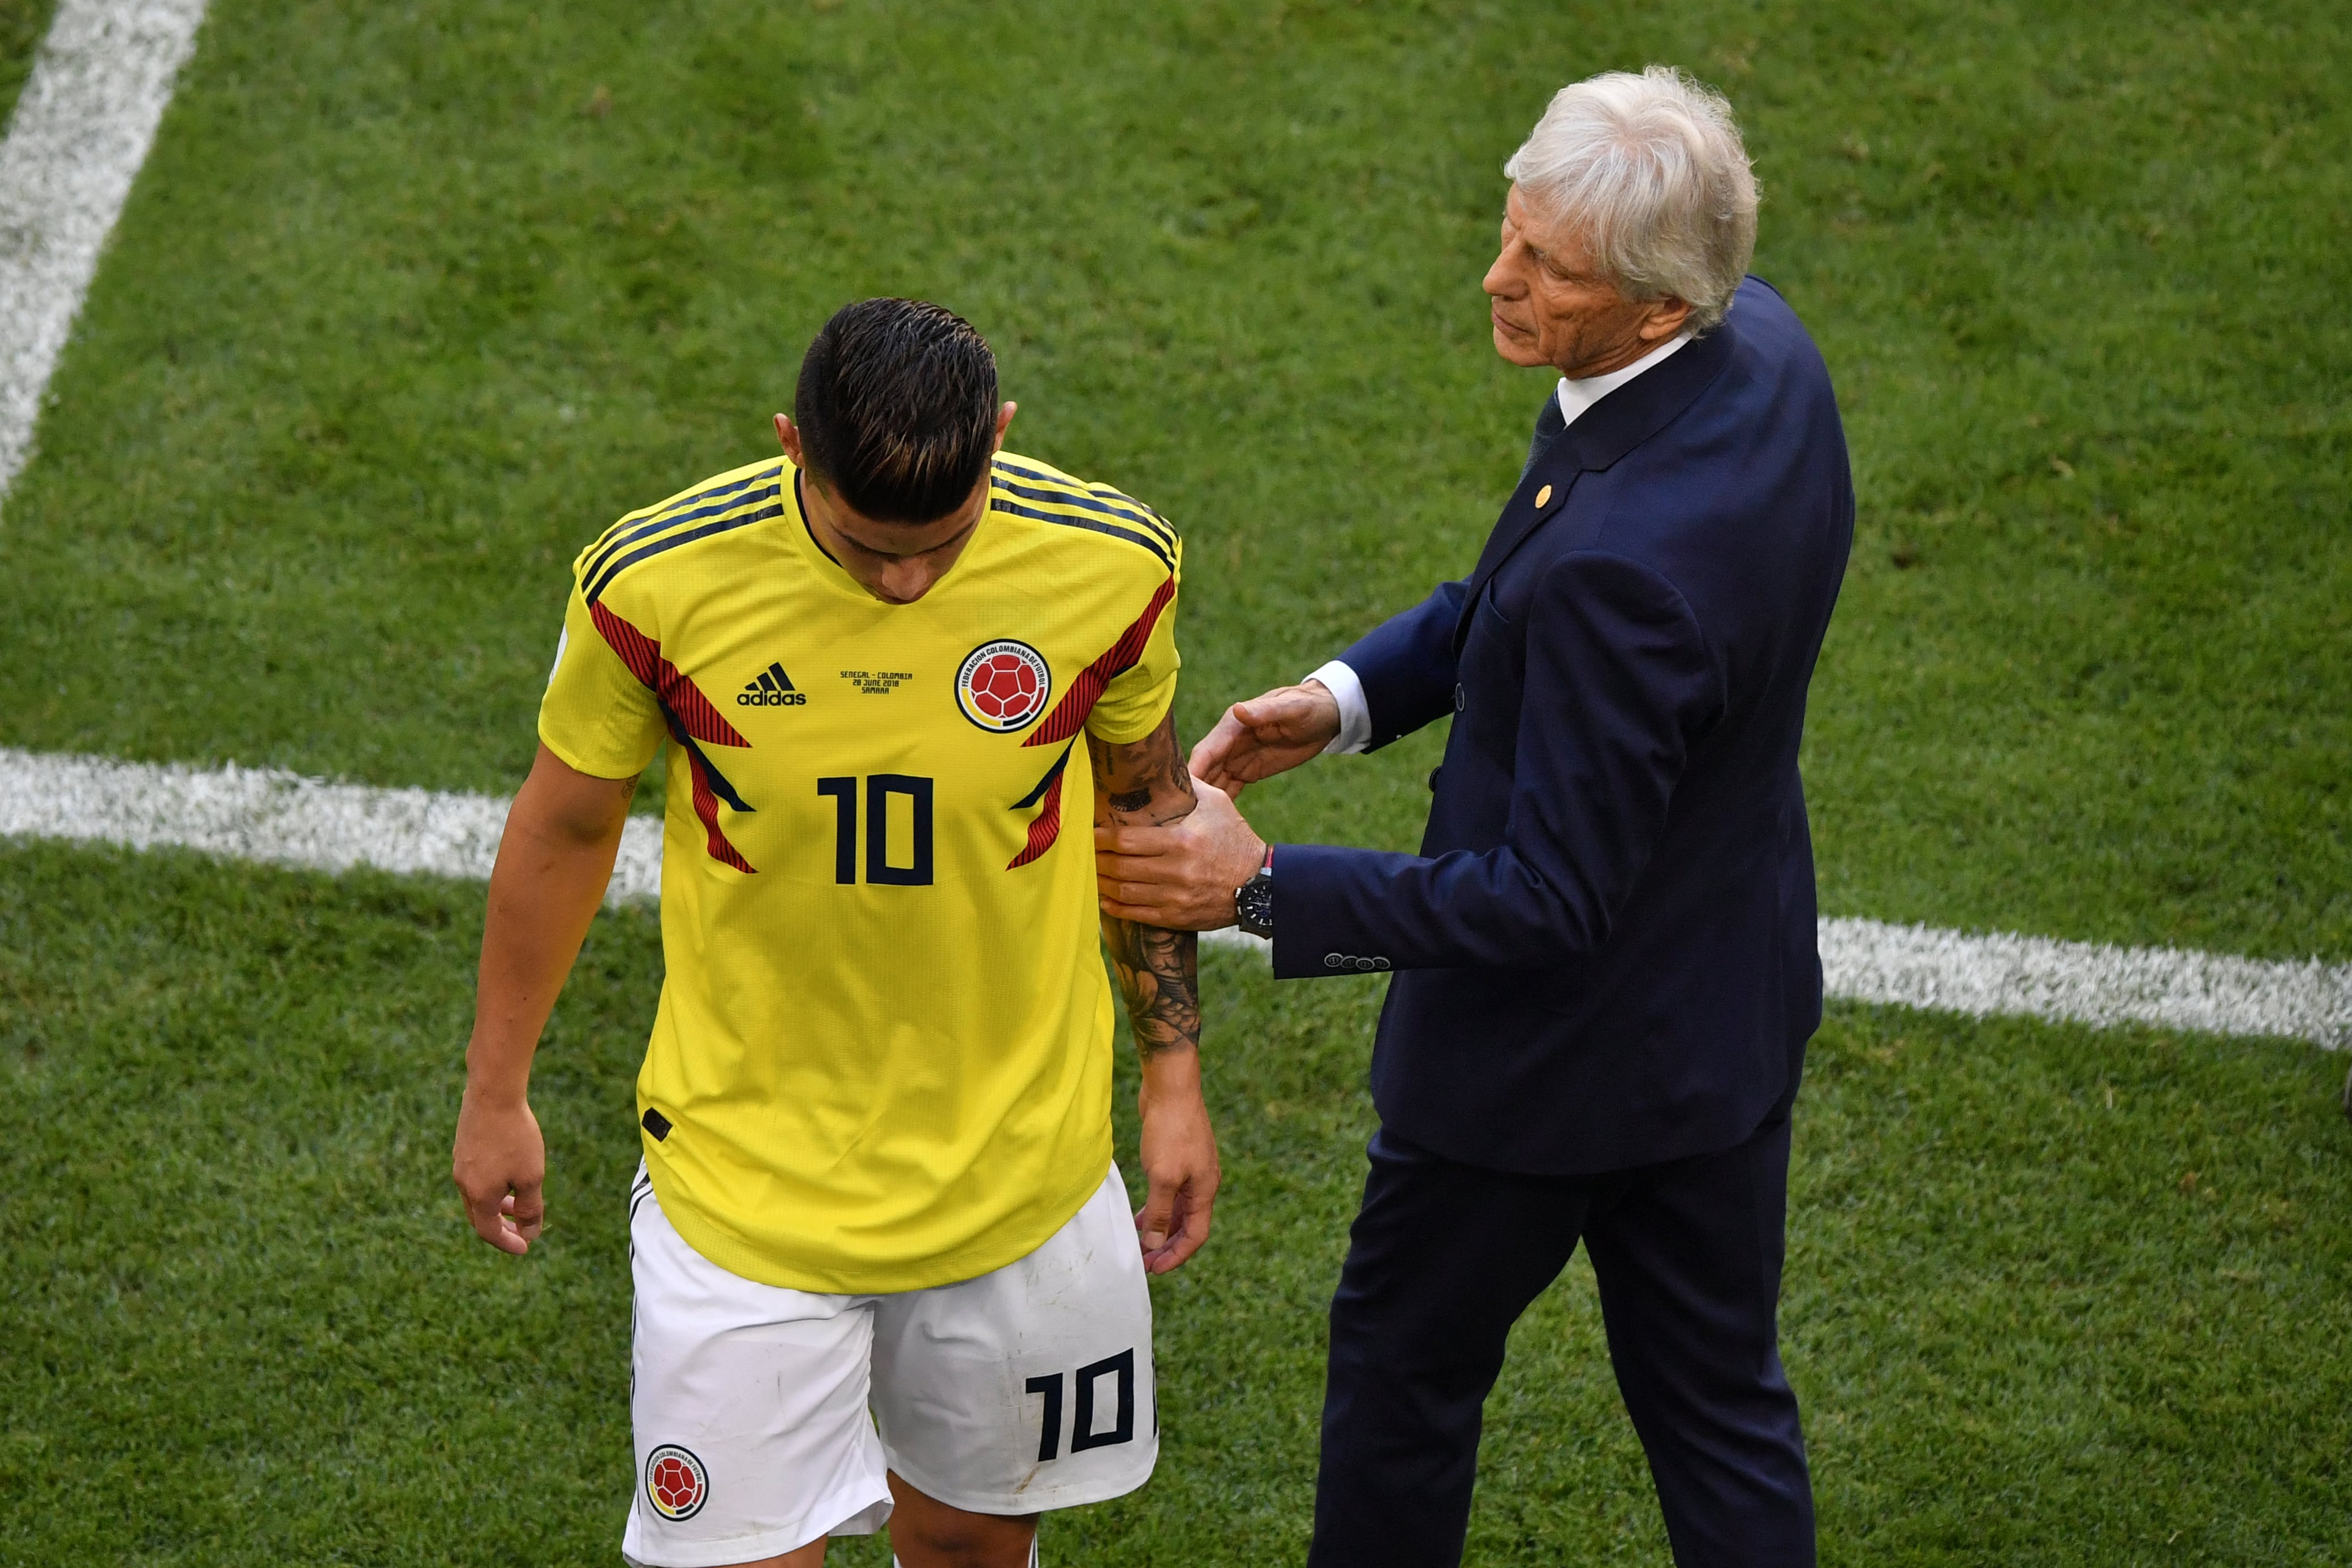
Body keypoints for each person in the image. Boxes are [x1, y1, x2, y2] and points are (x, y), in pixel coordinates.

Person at [1096, 68, 1853, 1567]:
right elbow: (1530, 586)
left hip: (1531, 1083)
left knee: (1401, 1384)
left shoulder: (1620, 569)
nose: (1494, 279)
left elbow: (1547, 896)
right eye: (1509, 234)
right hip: (1722, 1022)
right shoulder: (1758, 352)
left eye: (1543, 270)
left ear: (1647, 308)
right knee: (1717, 1411)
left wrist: (1257, 888)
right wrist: (1347, 695)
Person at [451, 298, 1218, 1568]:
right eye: (868, 552)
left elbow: (1143, 810)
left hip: (1018, 1177)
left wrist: (1175, 1076)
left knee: (974, 1544)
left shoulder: (1111, 567)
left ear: (1003, 442)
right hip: (747, 1190)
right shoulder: (657, 583)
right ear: (790, 447)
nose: (905, 582)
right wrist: (495, 1090)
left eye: (942, 545)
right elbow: (567, 831)